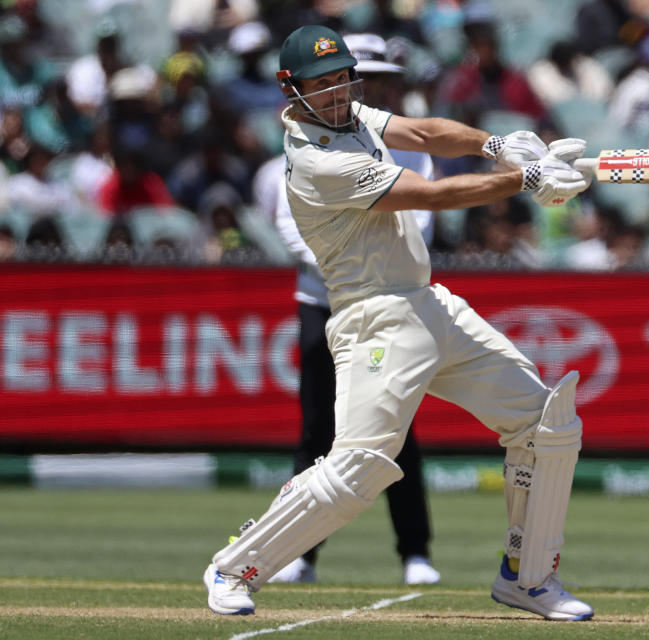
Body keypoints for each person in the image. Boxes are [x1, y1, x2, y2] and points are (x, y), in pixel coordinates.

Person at [202, 25, 594, 622]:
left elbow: (424, 132)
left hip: (426, 300)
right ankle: (234, 565)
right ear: (291, 90)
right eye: (321, 84)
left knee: (545, 423)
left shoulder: (348, 113)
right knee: (359, 465)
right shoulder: (318, 160)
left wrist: (500, 145)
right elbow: (427, 195)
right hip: (374, 318)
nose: (336, 93)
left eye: (342, 79)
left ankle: (529, 577)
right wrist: (527, 180)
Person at [264, 32, 441, 587]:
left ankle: (415, 553)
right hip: (324, 301)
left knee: (396, 428)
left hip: (388, 304)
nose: (355, 88)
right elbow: (289, 226)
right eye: (338, 76)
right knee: (317, 431)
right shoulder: (303, 141)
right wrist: (344, 261)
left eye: (369, 77)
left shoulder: (409, 143)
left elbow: (423, 219)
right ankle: (300, 554)